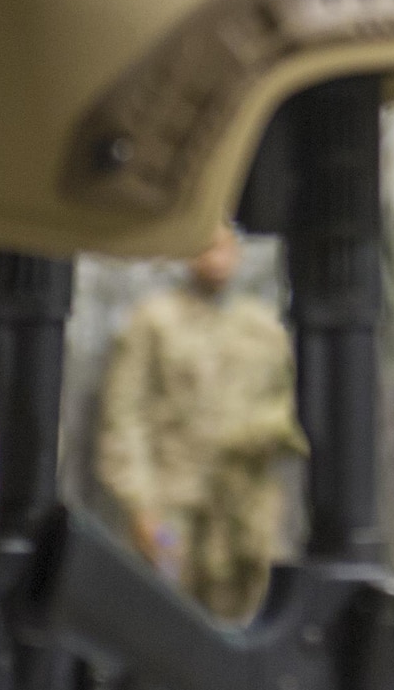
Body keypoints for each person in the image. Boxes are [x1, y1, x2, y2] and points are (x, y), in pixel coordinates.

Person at [96, 226, 305, 620]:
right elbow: (124, 418)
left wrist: (259, 431)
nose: (216, 257)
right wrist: (139, 502)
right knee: (161, 620)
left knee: (243, 623)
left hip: (243, 506)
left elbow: (297, 410)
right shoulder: (154, 321)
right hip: (173, 501)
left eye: (225, 246)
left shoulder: (263, 328)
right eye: (205, 245)